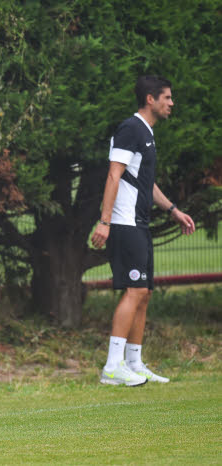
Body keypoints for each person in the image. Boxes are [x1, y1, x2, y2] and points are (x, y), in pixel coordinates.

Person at [91, 76, 195, 386]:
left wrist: (173, 210)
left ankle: (134, 363)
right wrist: (105, 222)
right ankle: (112, 367)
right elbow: (114, 175)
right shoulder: (130, 129)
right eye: (167, 97)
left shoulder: (146, 133)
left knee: (144, 293)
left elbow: (144, 182)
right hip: (123, 223)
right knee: (134, 290)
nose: (172, 103)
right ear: (151, 99)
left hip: (139, 223)